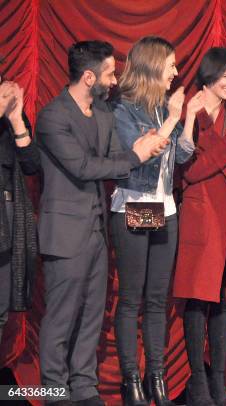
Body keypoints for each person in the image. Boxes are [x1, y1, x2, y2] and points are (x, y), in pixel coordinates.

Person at [36, 40, 167, 406]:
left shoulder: (106, 114)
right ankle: (54, 391)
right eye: (110, 73)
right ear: (89, 75)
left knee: (92, 315)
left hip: (96, 230)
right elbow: (82, 167)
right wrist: (134, 155)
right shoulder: (53, 116)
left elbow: (114, 158)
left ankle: (84, 387)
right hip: (64, 232)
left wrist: (137, 150)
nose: (115, 80)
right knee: (62, 318)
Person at [110, 36, 205, 406]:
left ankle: (157, 377)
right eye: (171, 65)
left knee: (156, 299)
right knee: (131, 298)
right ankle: (131, 380)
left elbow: (180, 157)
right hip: (135, 204)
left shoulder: (166, 108)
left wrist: (189, 118)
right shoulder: (123, 109)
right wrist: (174, 120)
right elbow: (143, 157)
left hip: (165, 208)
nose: (177, 73)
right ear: (152, 66)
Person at [173, 47, 226, 406]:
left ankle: (219, 384)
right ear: (208, 76)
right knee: (198, 298)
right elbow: (190, 172)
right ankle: (197, 382)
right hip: (200, 215)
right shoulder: (188, 112)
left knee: (224, 300)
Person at [0, 66, 39, 346]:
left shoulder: (9, 112)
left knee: (1, 310)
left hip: (7, 216)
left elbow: (31, 164)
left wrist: (15, 119)